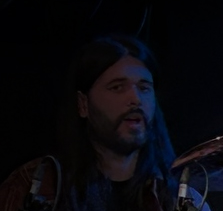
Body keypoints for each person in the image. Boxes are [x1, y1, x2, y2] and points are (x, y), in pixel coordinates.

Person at [0, 34, 211, 211]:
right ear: (83, 104)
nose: (135, 99)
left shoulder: (179, 198)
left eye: (144, 88)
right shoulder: (36, 185)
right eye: (117, 87)